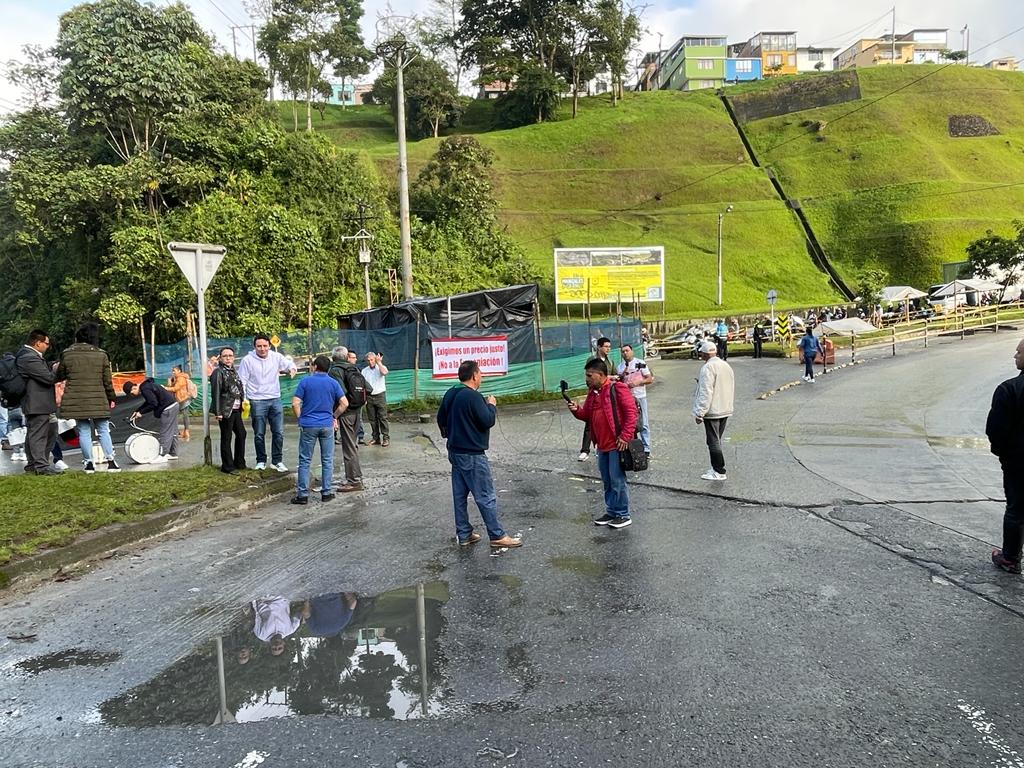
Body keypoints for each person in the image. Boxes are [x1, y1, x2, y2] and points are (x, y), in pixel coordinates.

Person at [436, 360, 522, 548]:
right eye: (480, 373)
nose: (481, 377)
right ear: (474, 375)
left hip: (455, 452)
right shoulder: (474, 397)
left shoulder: (451, 392)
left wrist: (449, 434)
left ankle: (464, 533)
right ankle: (497, 535)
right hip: (473, 454)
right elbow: (487, 420)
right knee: (485, 495)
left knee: (459, 495)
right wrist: (491, 405)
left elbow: (440, 418)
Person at [567, 357, 637, 528]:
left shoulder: (617, 388)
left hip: (616, 444)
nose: (587, 379)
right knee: (607, 480)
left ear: (600, 375)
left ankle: (622, 514)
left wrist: (625, 436)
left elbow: (631, 413)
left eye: (590, 375)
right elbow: (587, 416)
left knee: (617, 480)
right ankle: (611, 511)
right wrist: (576, 411)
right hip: (602, 445)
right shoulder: (593, 393)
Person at [55, 323, 120, 473]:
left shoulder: (67, 353)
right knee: (103, 430)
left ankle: (88, 463)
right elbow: (107, 381)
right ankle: (111, 462)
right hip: (98, 398)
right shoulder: (101, 354)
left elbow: (59, 376)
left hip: (76, 400)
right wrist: (112, 398)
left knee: (84, 431)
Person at [986, 338, 1024, 574]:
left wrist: (1003, 455)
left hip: (1018, 461)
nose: (1015, 355)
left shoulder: (1008, 389)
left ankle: (1010, 557)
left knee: (1017, 509)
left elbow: (995, 431)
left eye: (1019, 352)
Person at [290, 355, 346, 505]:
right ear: (329, 368)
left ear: (314, 366)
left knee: (305, 460)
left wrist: (301, 418)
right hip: (327, 425)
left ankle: (302, 495)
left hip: (308, 425)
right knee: (327, 460)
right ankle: (326, 492)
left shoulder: (305, 381)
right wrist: (334, 416)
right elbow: (344, 403)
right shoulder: (333, 383)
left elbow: (295, 403)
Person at [237, 334, 297, 472]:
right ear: (254, 347)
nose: (262, 349)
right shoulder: (247, 360)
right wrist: (244, 399)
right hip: (256, 400)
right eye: (259, 346)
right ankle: (261, 461)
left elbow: (289, 364)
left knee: (279, 432)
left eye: (265, 346)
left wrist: (292, 369)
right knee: (259, 433)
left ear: (269, 346)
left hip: (275, 399)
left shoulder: (276, 356)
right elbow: (242, 381)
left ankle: (277, 461)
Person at [15, 329, 59, 476]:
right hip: (36, 403)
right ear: (38, 343)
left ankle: (34, 465)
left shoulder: (27, 355)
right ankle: (41, 466)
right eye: (46, 343)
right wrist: (55, 369)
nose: (48, 346)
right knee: (38, 435)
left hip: (37, 402)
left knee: (36, 433)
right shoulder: (29, 357)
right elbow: (48, 378)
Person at [693, 339, 734, 481]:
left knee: (713, 441)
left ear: (704, 354)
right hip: (725, 408)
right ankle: (715, 467)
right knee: (717, 439)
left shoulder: (707, 368)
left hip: (712, 410)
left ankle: (719, 470)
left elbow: (706, 391)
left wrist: (700, 412)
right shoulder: (725, 365)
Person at [328, 346, 365, 492]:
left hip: (345, 412)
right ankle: (357, 476)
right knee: (353, 445)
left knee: (348, 447)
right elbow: (368, 389)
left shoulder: (335, 371)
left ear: (333, 358)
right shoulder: (354, 369)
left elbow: (340, 392)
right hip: (358, 411)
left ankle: (354, 481)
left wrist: (335, 413)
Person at [123, 376, 179, 462]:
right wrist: (138, 410)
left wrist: (141, 413)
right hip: (174, 405)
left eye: (131, 393)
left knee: (165, 432)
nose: (133, 395)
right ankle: (173, 453)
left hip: (167, 409)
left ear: (133, 388)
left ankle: (162, 455)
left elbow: (153, 404)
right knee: (173, 431)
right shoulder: (146, 386)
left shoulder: (145, 389)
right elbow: (149, 402)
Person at [210, 346, 246, 474]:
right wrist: (218, 412)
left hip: (236, 408)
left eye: (230, 356)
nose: (228, 358)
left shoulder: (232, 371)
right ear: (220, 358)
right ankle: (227, 466)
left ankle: (239, 462)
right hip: (226, 410)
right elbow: (216, 393)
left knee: (242, 434)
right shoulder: (218, 372)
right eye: (225, 356)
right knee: (226, 437)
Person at [578, 336, 612, 462]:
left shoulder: (610, 361)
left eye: (609, 347)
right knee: (590, 421)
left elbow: (611, 375)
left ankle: (603, 446)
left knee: (605, 419)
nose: (608, 349)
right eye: (606, 346)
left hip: (607, 393)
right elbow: (588, 376)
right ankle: (585, 450)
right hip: (594, 392)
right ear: (599, 347)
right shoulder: (592, 359)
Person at [616, 343, 653, 455]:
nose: (625, 353)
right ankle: (631, 447)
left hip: (640, 396)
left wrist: (639, 382)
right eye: (623, 351)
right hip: (627, 398)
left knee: (643, 423)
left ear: (632, 351)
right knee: (628, 422)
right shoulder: (620, 367)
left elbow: (649, 378)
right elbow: (618, 382)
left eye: (627, 350)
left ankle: (646, 448)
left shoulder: (640, 363)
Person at [361, 351, 390, 447]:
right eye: (368, 360)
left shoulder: (380, 367)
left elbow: (385, 372)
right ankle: (375, 438)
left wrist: (379, 362)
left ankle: (386, 438)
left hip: (380, 395)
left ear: (375, 359)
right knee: (372, 419)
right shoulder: (364, 371)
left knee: (382, 418)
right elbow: (363, 386)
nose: (370, 362)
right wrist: (364, 398)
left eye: (372, 359)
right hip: (369, 396)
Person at [166, 364, 194, 442]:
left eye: (174, 370)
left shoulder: (181, 378)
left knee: (184, 415)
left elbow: (175, 388)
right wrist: (169, 382)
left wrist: (165, 388)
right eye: (172, 371)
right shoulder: (176, 378)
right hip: (180, 399)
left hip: (183, 398)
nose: (173, 372)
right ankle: (183, 432)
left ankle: (186, 432)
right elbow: (172, 386)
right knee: (180, 415)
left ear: (179, 371)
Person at [346, 349, 366, 444]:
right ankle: (346, 436)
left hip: (357, 398)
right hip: (347, 398)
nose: (356, 359)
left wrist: (363, 396)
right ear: (348, 358)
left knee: (359, 418)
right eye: (353, 357)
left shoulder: (357, 369)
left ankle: (360, 436)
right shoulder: (344, 370)